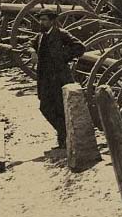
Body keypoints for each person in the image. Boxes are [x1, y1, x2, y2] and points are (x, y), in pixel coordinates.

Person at [34, 10, 86, 150]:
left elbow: (79, 47)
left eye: (44, 20)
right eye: (40, 20)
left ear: (52, 21)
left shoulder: (61, 34)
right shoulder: (40, 37)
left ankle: (64, 140)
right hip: (45, 79)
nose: (41, 22)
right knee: (45, 108)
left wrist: (63, 57)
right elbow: (29, 44)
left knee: (60, 108)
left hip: (60, 78)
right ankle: (63, 134)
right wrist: (32, 51)